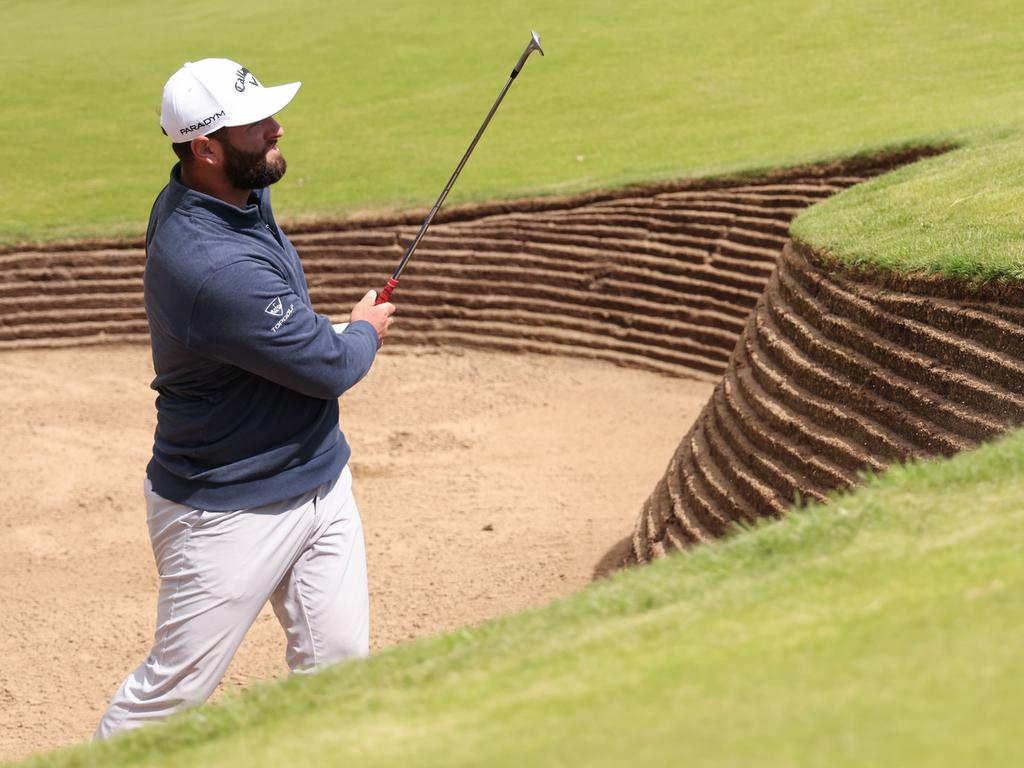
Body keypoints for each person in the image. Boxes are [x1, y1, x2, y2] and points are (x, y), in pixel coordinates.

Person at [95, 58, 395, 739]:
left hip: (319, 479)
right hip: (226, 509)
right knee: (170, 695)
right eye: (255, 124)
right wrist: (363, 331)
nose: (276, 127)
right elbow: (328, 366)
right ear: (205, 148)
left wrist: (339, 333)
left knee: (340, 667)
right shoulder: (209, 266)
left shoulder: (234, 193)